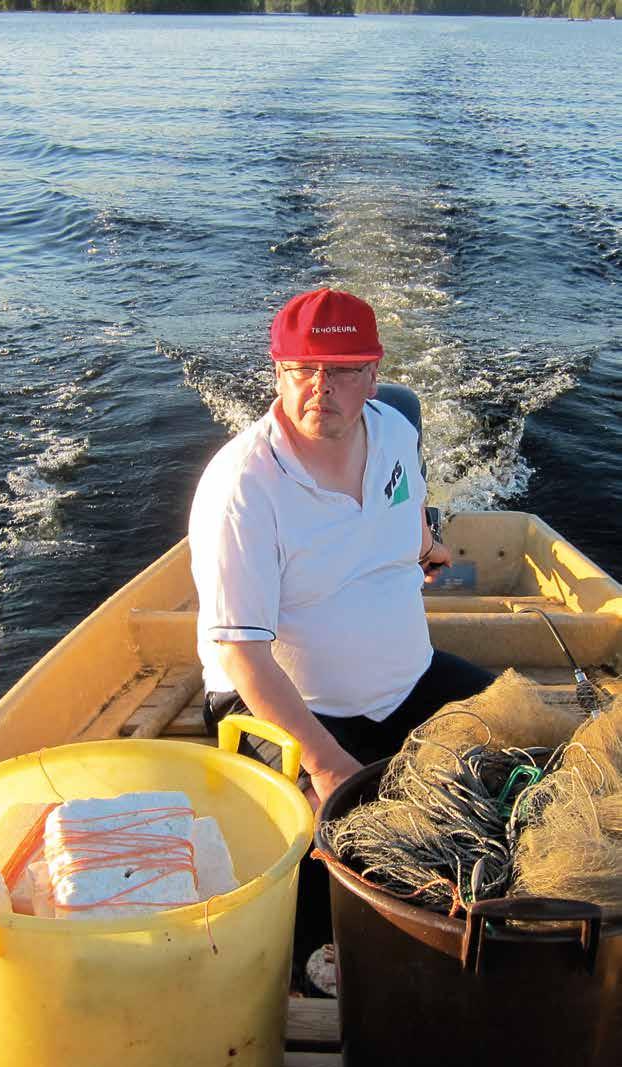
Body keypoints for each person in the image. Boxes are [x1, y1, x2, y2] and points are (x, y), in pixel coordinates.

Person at [188, 289, 495, 978]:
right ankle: (306, 959)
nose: (320, 388)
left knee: (512, 747)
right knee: (345, 834)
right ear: (278, 373)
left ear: (374, 375)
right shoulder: (243, 489)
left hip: (407, 681)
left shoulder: (393, 433)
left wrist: (421, 542)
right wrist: (325, 764)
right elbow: (241, 655)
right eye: (302, 368)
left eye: (343, 369)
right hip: (286, 709)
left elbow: (404, 496)